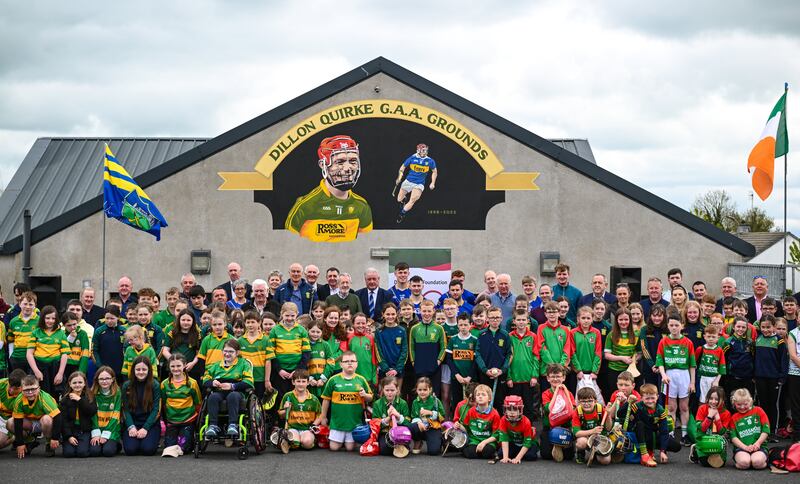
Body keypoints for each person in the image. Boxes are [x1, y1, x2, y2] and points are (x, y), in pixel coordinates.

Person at [286, 135, 373, 241]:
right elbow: (287, 244)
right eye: (339, 162)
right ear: (323, 165)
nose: (347, 168)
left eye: (353, 161)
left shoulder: (362, 206)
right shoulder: (305, 206)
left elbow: (366, 244)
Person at [316, 350, 373, 451]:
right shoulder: (333, 380)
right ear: (341, 364)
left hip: (354, 424)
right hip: (337, 423)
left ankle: (348, 441)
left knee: (350, 448)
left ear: (356, 364)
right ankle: (335, 438)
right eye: (346, 361)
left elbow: (370, 397)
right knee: (334, 448)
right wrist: (323, 417)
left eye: (353, 361)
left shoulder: (361, 380)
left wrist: (365, 395)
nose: (350, 363)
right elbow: (326, 399)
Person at [657, 310, 696, 446]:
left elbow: (692, 364)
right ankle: (671, 432)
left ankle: (685, 434)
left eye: (676, 325)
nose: (674, 328)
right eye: (671, 325)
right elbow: (660, 361)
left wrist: (692, 382)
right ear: (668, 326)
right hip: (670, 375)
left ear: (682, 325)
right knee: (671, 407)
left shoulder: (688, 342)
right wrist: (663, 375)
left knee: (684, 407)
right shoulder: (663, 342)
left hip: (684, 374)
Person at [201, 339, 254, 439]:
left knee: (232, 396)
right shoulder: (216, 365)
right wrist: (212, 383)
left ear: (237, 352)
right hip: (219, 391)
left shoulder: (243, 364)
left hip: (237, 391)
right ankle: (213, 426)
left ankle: (233, 424)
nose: (227, 354)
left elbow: (249, 382)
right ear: (222, 351)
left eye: (231, 351)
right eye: (225, 351)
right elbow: (205, 380)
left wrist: (232, 386)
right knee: (212, 397)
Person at [618, 383, 680, 467]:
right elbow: (620, 414)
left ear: (657, 397)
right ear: (641, 397)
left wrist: (662, 451)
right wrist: (628, 402)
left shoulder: (660, 410)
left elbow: (664, 431)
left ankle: (650, 450)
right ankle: (644, 454)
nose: (650, 401)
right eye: (647, 398)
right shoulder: (637, 406)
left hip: (652, 436)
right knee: (640, 424)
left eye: (652, 398)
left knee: (677, 446)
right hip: (639, 435)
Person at [9, 374, 62, 458]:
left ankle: (48, 442)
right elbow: (17, 422)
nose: (30, 393)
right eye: (27, 390)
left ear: (39, 388)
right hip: (30, 423)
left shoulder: (44, 398)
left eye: (33, 389)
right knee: (10, 422)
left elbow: (58, 417)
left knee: (46, 419)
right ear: (21, 390)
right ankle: (29, 440)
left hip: (44, 423)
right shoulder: (18, 400)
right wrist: (20, 443)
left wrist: (55, 438)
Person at [268, 302, 311, 402]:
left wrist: (298, 370)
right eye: (287, 315)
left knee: (295, 397)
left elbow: (306, 352)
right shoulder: (274, 330)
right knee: (280, 397)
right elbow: (271, 353)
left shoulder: (301, 330)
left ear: (297, 314)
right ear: (281, 314)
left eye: (292, 315)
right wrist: (279, 370)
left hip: (296, 371)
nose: (290, 318)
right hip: (280, 372)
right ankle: (281, 417)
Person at [753, 315, 787, 436]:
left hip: (774, 379)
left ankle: (773, 431)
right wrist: (754, 375)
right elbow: (754, 358)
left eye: (768, 327)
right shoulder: (758, 339)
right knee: (762, 404)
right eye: (763, 327)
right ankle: (763, 430)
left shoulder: (779, 341)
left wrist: (782, 378)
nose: (766, 330)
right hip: (760, 377)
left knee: (773, 405)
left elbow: (783, 360)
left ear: (774, 326)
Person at [161, 354, 202, 454]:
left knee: (183, 448)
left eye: (178, 366)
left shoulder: (192, 383)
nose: (176, 369)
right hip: (172, 420)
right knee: (169, 448)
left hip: (188, 419)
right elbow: (163, 403)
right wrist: (164, 420)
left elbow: (198, 402)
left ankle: (190, 439)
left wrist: (197, 420)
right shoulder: (164, 384)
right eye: (173, 366)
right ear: (169, 367)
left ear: (184, 365)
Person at [121, 356, 161, 455]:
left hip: (150, 424)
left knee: (148, 450)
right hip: (133, 423)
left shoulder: (155, 385)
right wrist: (131, 426)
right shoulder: (127, 385)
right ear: (133, 370)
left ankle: (146, 440)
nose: (141, 372)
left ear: (149, 370)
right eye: (138, 369)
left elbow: (156, 410)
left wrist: (145, 428)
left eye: (144, 369)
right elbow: (125, 409)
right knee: (131, 450)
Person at [27, 305, 70, 398]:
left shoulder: (61, 333)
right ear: (42, 318)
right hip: (39, 368)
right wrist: (36, 371)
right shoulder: (36, 332)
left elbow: (64, 354)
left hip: (55, 368)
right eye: (47, 318)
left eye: (53, 318)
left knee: (54, 396)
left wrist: (60, 373)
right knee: (38, 395)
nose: (50, 321)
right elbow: (29, 354)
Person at [475, 306, 511, 412]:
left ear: (501, 318)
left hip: (500, 375)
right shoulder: (482, 334)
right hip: (485, 374)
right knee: (484, 400)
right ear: (487, 319)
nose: (495, 320)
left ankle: (498, 425)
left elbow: (509, 354)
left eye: (497, 317)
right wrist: (485, 370)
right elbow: (477, 354)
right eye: (492, 317)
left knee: (499, 401)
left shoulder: (505, 335)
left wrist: (502, 370)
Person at [506, 309, 538, 422]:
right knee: (513, 407)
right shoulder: (509, 336)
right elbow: (507, 358)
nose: (521, 322)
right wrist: (508, 377)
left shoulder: (533, 336)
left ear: (528, 321)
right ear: (514, 321)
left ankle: (529, 430)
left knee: (529, 407)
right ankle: (514, 430)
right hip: (514, 379)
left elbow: (536, 357)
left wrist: (534, 376)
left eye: (523, 319)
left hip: (528, 378)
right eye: (518, 320)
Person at [409, 300, 446, 397]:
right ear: (420, 311)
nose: (426, 314)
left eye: (429, 311)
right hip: (419, 367)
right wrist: (414, 362)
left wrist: (438, 361)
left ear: (433, 311)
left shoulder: (439, 328)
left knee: (434, 395)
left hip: (434, 368)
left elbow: (443, 347)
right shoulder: (415, 328)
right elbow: (411, 347)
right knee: (418, 395)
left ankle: (434, 413)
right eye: (424, 311)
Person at [534, 301, 574, 392]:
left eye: (554, 311)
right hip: (546, 371)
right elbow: (542, 348)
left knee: (561, 398)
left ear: (559, 313)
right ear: (545, 314)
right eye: (549, 312)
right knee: (547, 398)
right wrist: (552, 365)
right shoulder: (541, 328)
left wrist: (560, 365)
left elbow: (567, 349)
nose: (552, 314)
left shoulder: (565, 330)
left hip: (561, 371)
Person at [539, 364, 575, 462]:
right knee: (546, 455)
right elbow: (550, 409)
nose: (555, 379)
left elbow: (572, 410)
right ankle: (555, 445)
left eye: (558, 376)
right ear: (548, 378)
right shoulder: (545, 394)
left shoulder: (569, 393)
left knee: (569, 456)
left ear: (563, 378)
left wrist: (565, 392)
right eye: (552, 377)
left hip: (565, 428)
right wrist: (557, 392)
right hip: (550, 428)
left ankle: (560, 445)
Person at [278, 369, 321, 450]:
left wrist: (314, 425)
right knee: (295, 443)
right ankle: (295, 441)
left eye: (303, 381)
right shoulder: (288, 396)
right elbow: (281, 415)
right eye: (298, 381)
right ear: (293, 382)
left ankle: (308, 440)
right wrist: (286, 409)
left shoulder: (314, 399)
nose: (301, 384)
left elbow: (319, 415)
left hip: (307, 428)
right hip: (292, 428)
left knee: (307, 443)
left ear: (308, 383)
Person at [395, 143, 437, 223]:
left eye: (426, 150)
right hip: (408, 181)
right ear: (418, 151)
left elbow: (434, 172)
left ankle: (402, 213)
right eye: (423, 150)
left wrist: (432, 183)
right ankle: (403, 199)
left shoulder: (430, 161)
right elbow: (402, 167)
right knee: (398, 199)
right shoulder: (412, 158)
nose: (425, 152)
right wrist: (399, 178)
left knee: (412, 200)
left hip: (419, 184)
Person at [690, 386, 731, 467]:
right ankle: (696, 449)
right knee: (705, 463)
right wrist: (709, 416)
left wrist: (717, 418)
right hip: (704, 439)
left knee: (721, 464)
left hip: (718, 442)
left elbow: (722, 432)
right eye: (711, 398)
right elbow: (702, 428)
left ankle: (714, 455)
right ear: (707, 399)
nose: (713, 401)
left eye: (717, 399)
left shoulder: (726, 413)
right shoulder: (702, 408)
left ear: (722, 401)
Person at [729, 388, 769, 470]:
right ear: (734, 403)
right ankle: (743, 461)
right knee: (744, 463)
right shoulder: (734, 418)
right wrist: (745, 447)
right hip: (741, 448)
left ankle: (763, 460)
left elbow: (766, 430)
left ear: (750, 401)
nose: (742, 407)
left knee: (757, 463)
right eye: (739, 405)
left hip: (759, 447)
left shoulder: (759, 411)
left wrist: (757, 444)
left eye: (745, 404)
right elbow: (733, 437)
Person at [604, 308, 638, 403]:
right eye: (621, 320)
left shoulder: (636, 334)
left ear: (630, 320)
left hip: (630, 371)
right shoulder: (611, 335)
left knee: (631, 396)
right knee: (615, 396)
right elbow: (607, 355)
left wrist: (634, 360)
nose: (623, 322)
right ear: (616, 320)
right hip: (614, 370)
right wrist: (622, 358)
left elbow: (639, 353)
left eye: (626, 319)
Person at [59, 371, 97, 457]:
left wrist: (80, 400)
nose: (77, 385)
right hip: (71, 431)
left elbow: (92, 411)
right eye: (74, 382)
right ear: (70, 384)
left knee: (82, 453)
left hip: (84, 430)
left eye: (80, 382)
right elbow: (63, 420)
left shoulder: (90, 396)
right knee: (69, 453)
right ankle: (69, 442)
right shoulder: (65, 399)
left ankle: (86, 444)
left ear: (84, 383)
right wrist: (68, 436)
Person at [458, 383, 500, 460]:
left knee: (487, 452)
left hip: (488, 440)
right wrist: (460, 426)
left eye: (483, 395)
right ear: (475, 398)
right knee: (470, 454)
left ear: (489, 398)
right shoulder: (471, 411)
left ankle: (485, 451)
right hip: (474, 440)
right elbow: (466, 429)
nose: (480, 396)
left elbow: (496, 435)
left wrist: (483, 443)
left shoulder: (494, 413)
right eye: (478, 395)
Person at [237, 310, 273, 399]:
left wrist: (267, 380)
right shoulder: (240, 341)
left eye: (253, 322)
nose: (250, 325)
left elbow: (268, 361)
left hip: (260, 378)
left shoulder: (266, 340)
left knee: (259, 402)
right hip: (245, 378)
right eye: (247, 322)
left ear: (259, 322)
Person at [372, 375, 411, 456]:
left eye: (392, 390)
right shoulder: (377, 404)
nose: (389, 392)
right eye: (387, 390)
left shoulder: (403, 403)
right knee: (384, 451)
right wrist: (387, 418)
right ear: (383, 390)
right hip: (385, 432)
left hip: (400, 432)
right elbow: (374, 423)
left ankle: (401, 444)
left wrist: (398, 416)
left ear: (397, 390)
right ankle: (396, 446)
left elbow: (408, 422)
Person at [572, 387, 611, 465]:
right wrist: (593, 431)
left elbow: (608, 428)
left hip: (599, 438)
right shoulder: (577, 411)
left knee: (605, 461)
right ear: (579, 402)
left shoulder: (600, 409)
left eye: (590, 401)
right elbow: (576, 433)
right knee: (581, 442)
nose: (586, 404)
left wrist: (608, 415)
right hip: (585, 437)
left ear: (595, 401)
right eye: (583, 401)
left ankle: (596, 453)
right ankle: (580, 453)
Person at [162, 309, 203, 382]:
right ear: (179, 320)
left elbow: (199, 353)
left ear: (193, 321)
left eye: (188, 320)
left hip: (190, 368)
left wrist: (193, 363)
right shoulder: (172, 333)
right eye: (183, 320)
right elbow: (165, 350)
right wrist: (173, 361)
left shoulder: (197, 334)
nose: (185, 322)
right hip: (174, 369)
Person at [90, 366, 122, 457]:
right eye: (101, 379)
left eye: (107, 378)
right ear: (97, 380)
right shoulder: (92, 393)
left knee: (108, 452)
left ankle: (116, 444)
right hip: (97, 427)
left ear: (113, 379)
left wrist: (106, 434)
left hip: (112, 429)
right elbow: (93, 415)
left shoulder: (117, 393)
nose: (104, 381)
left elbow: (116, 415)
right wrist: (96, 433)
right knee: (94, 452)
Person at [724, 316, 756, 407]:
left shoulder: (750, 342)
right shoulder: (728, 342)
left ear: (746, 328)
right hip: (733, 378)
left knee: (747, 403)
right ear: (733, 327)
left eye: (743, 327)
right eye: (738, 327)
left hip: (748, 378)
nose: (740, 329)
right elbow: (724, 360)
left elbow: (753, 358)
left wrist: (753, 374)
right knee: (733, 402)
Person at [409, 376, 445, 455]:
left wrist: (431, 413)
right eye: (420, 390)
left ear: (430, 389)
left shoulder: (435, 401)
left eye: (425, 390)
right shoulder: (415, 402)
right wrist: (419, 422)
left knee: (434, 452)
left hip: (432, 427)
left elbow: (443, 416)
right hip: (421, 427)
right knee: (412, 426)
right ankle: (418, 441)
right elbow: (413, 416)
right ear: (416, 390)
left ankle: (440, 440)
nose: (422, 392)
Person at [571, 306, 602, 397]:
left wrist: (594, 371)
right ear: (578, 319)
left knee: (592, 397)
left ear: (592, 319)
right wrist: (578, 370)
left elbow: (598, 353)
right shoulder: (573, 333)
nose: (586, 320)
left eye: (588, 318)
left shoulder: (596, 333)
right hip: (577, 373)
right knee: (577, 397)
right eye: (583, 318)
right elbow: (572, 353)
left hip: (591, 372)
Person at [375, 303, 407, 389]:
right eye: (388, 314)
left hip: (398, 370)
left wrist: (397, 369)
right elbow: (378, 351)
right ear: (383, 314)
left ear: (397, 314)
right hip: (384, 370)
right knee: (383, 395)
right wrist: (386, 368)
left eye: (393, 314)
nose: (390, 316)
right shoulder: (379, 331)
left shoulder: (402, 330)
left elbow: (404, 352)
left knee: (397, 394)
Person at [498, 394, 537, 463]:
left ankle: (518, 454)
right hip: (514, 443)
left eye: (515, 409)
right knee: (501, 454)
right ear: (505, 410)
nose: (512, 412)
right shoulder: (503, 420)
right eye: (509, 409)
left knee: (530, 456)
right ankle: (514, 454)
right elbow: (504, 439)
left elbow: (527, 443)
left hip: (527, 443)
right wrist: (505, 457)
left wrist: (518, 458)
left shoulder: (526, 421)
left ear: (520, 410)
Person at [92, 306, 127, 382]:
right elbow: (94, 350)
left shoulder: (124, 331)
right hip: (104, 370)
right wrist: (100, 366)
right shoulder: (99, 331)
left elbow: (128, 350)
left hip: (121, 370)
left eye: (112, 318)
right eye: (107, 318)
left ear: (118, 317)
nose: (109, 321)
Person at [7, 290, 39, 373]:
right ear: (20, 304)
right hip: (17, 359)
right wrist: (11, 355)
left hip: (34, 358)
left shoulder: (39, 321)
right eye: (25, 304)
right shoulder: (13, 321)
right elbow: (11, 340)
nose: (27, 307)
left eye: (30, 304)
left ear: (35, 306)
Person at [695, 326, 726, 404]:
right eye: (709, 336)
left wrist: (717, 380)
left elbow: (722, 367)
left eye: (713, 337)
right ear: (704, 337)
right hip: (702, 378)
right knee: (702, 399)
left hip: (713, 378)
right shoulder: (700, 349)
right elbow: (694, 364)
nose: (711, 339)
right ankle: (702, 414)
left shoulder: (719, 350)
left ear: (717, 338)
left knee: (713, 400)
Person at [348, 313, 378, 388]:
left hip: (368, 376)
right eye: (358, 323)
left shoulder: (370, 338)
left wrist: (374, 377)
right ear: (353, 324)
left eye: (363, 323)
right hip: (353, 376)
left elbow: (374, 358)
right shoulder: (349, 338)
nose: (361, 325)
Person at [0, 369, 25, 450]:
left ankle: (16, 437)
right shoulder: (2, 383)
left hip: (12, 420)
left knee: (0, 441)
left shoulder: (26, 393)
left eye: (15, 388)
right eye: (10, 386)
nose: (11, 390)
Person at [63, 311, 90, 376]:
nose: (72, 327)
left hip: (78, 366)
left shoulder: (82, 334)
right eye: (69, 325)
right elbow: (63, 350)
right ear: (64, 325)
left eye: (74, 324)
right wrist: (70, 338)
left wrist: (81, 372)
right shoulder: (62, 334)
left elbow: (85, 354)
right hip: (64, 366)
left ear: (77, 322)